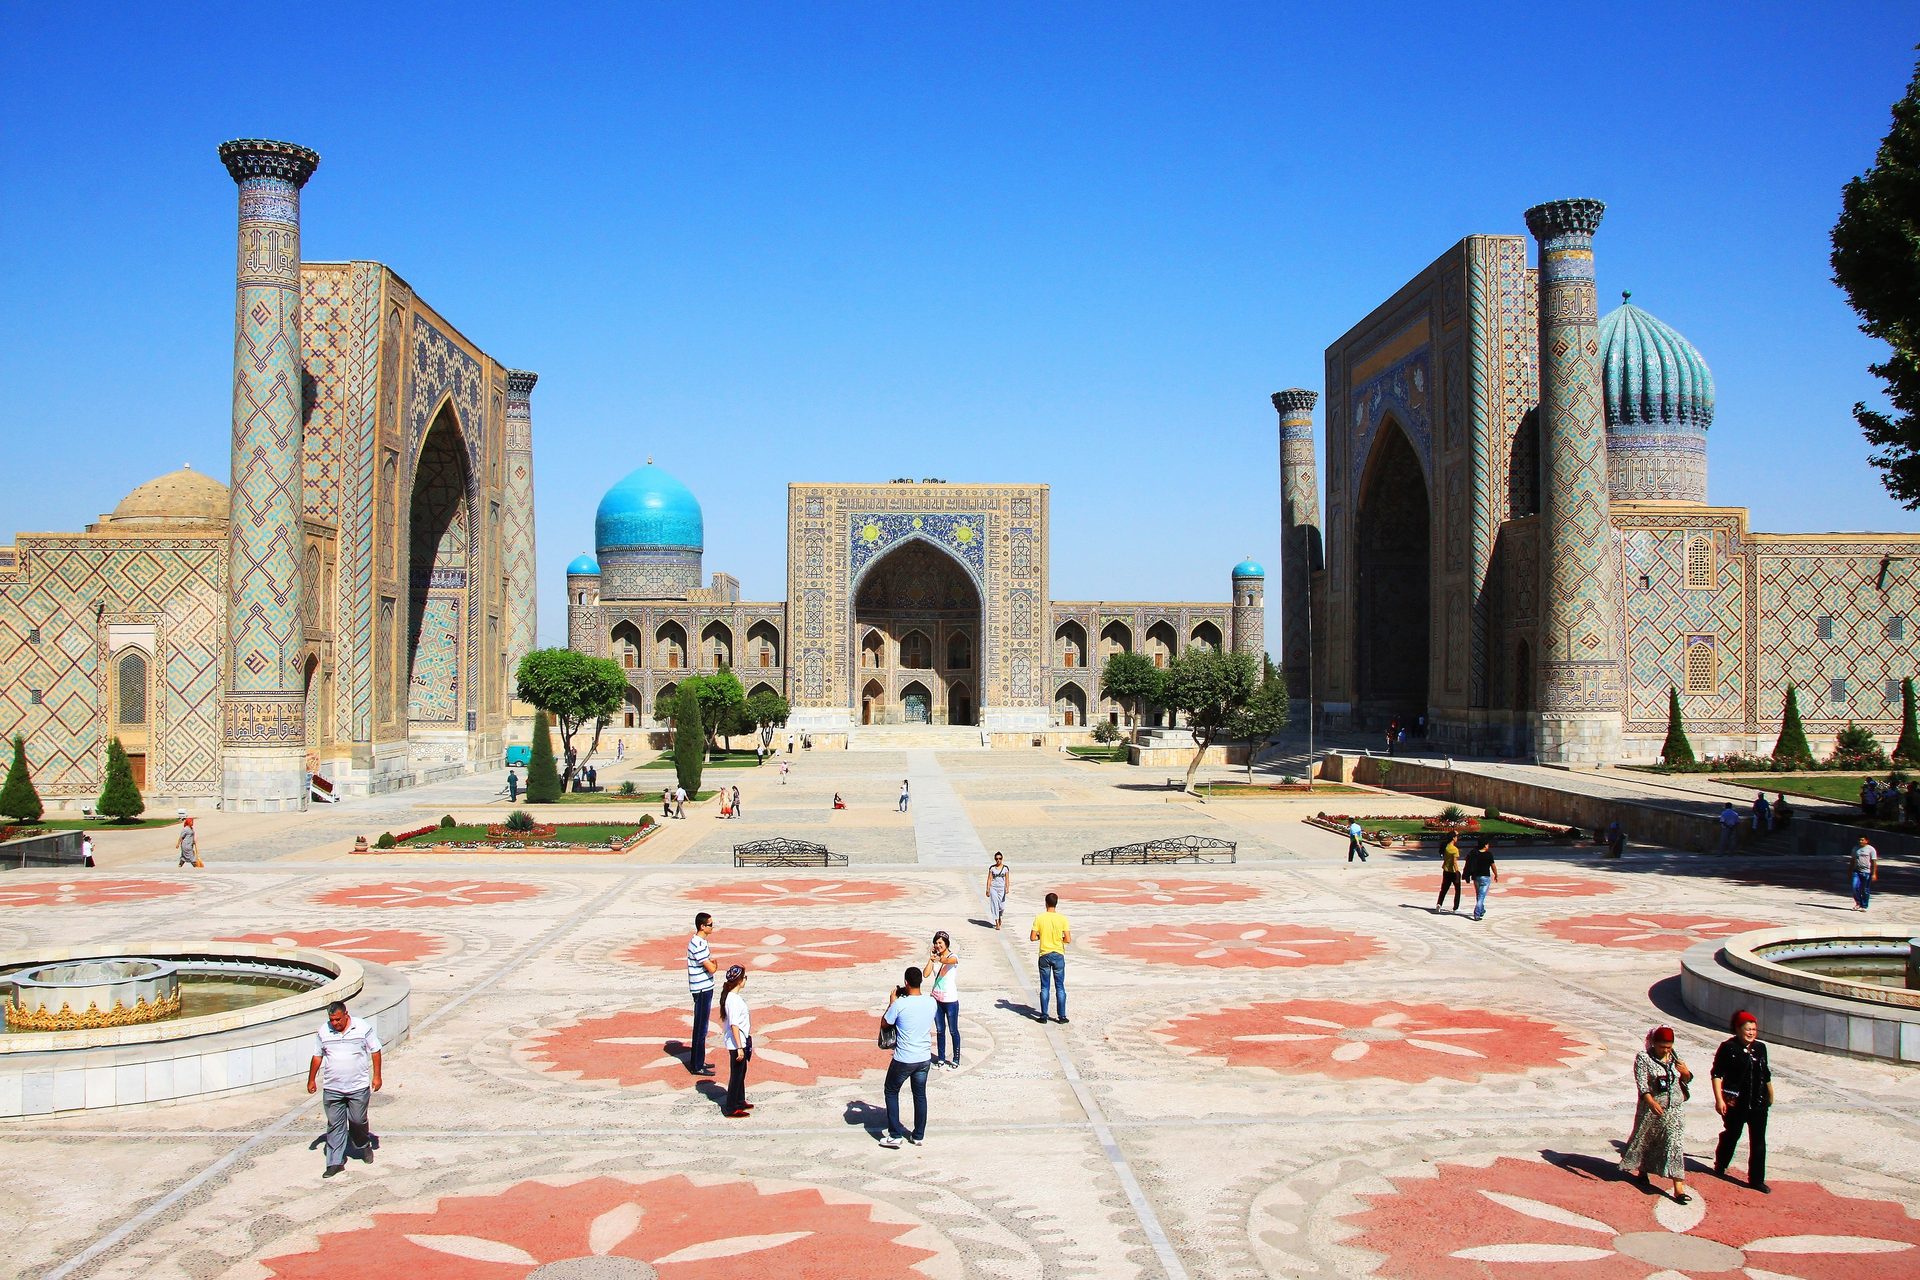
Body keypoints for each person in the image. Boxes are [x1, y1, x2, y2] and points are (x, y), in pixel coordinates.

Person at [307, 999, 382, 1178]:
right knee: (335, 1125)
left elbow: (375, 1050)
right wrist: (311, 1079)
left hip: (358, 1086)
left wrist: (377, 1076)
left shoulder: (362, 1027)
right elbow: (317, 1056)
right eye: (332, 1020)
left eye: (338, 1020)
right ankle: (335, 1162)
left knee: (357, 1120)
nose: (335, 1024)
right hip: (333, 1087)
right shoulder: (323, 1031)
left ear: (346, 1015)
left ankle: (363, 1145)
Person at [1619, 1026, 1693, 1203]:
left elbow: (1687, 1079)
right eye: (1662, 1047)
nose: (1666, 1050)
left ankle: (1678, 1187)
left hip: (1674, 1108)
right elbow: (1642, 1084)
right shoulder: (1643, 1058)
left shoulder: (1675, 1057)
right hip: (1652, 1108)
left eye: (1669, 1046)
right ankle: (1642, 1170)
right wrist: (1651, 1102)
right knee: (1646, 1140)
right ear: (1653, 1043)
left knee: (1674, 1144)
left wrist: (1685, 1073)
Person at [1712, 1010, 1773, 1191]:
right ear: (1738, 1029)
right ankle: (1721, 1163)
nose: (1752, 1033)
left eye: (1754, 1029)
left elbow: (1766, 1073)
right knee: (1732, 1135)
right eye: (1748, 1029)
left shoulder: (1760, 1048)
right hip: (1736, 1103)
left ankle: (1756, 1180)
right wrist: (1719, 1100)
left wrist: (1770, 1093)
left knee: (1759, 1142)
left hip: (1758, 1103)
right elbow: (1717, 1074)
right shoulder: (1728, 1048)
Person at [878, 966, 936, 1147]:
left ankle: (895, 1135)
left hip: (904, 1058)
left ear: (905, 983)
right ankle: (918, 1135)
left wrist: (892, 1001)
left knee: (891, 1090)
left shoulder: (900, 1005)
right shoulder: (931, 1002)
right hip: (924, 1057)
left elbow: (885, 1023)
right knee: (919, 1095)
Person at [1031, 892, 1071, 1023]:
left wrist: (1041, 936)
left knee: (1045, 987)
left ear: (1046, 903)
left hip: (1044, 954)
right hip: (1058, 954)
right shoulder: (1062, 919)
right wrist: (1060, 939)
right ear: (1056, 903)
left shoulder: (1040, 918)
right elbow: (1068, 939)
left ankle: (1044, 1015)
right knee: (1060, 986)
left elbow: (1032, 937)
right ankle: (1062, 1016)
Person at [686, 912, 717, 1075]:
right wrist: (714, 966)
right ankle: (697, 1065)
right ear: (702, 926)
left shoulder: (700, 942)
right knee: (701, 1027)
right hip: (701, 988)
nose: (713, 927)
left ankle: (699, 1060)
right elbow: (711, 967)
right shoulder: (698, 944)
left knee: (702, 1026)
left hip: (705, 986)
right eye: (710, 924)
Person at [719, 964, 752, 1117]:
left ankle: (739, 1100)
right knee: (736, 1074)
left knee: (742, 1071)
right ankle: (731, 1107)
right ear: (739, 980)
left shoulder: (734, 997)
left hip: (741, 1040)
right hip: (736, 1042)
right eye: (745, 977)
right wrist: (739, 1047)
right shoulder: (732, 1000)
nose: (745, 980)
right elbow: (734, 1024)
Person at [928, 931, 960, 1066]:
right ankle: (941, 1057)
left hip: (950, 999)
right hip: (936, 999)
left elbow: (950, 961)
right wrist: (930, 959)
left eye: (940, 943)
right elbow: (925, 974)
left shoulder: (953, 956)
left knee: (953, 1030)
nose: (938, 945)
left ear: (946, 943)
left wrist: (939, 959)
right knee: (940, 1030)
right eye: (936, 943)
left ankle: (956, 1059)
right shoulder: (935, 958)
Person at [1464, 839, 1498, 921]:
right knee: (1481, 896)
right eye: (1487, 844)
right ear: (1485, 845)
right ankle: (1477, 913)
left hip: (1476, 877)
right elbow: (1493, 866)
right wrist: (1496, 874)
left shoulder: (1475, 853)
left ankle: (1482, 910)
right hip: (1485, 877)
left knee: (1478, 894)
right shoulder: (1488, 854)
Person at [1849, 835, 1879, 910]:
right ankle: (1858, 903)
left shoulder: (1871, 849)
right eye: (1859, 840)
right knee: (1854, 887)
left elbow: (1874, 862)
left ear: (1866, 841)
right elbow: (1852, 861)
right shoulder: (1855, 849)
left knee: (1865, 889)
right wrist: (1850, 871)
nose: (1860, 841)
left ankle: (1864, 905)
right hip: (1856, 871)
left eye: (1862, 840)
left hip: (1867, 872)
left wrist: (1874, 873)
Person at [1435, 834, 1462, 913]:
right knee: (1457, 890)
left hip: (1446, 870)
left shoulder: (1446, 847)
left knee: (1443, 889)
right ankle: (1455, 908)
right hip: (1453, 872)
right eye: (1456, 837)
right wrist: (1457, 871)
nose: (1457, 838)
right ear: (1453, 838)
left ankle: (1439, 904)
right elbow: (1454, 862)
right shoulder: (1454, 849)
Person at [985, 852, 1010, 929]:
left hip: (1001, 888)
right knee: (994, 904)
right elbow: (989, 879)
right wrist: (988, 889)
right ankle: (997, 922)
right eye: (996, 859)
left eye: (1000, 858)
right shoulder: (992, 868)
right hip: (994, 888)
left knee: (1001, 906)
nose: (998, 860)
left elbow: (1007, 879)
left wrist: (1007, 887)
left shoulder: (1005, 868)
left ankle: (999, 916)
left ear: (1002, 859)